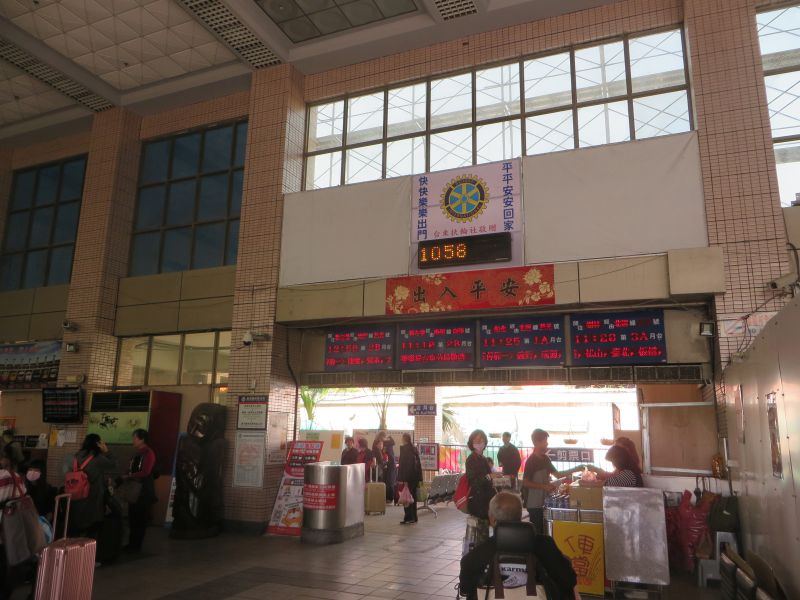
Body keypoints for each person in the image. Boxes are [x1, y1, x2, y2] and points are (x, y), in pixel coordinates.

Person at [458, 492, 580, 600]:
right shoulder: (545, 545)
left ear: (492, 519)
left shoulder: (481, 552)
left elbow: (465, 588)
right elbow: (569, 580)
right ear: (520, 515)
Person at [521, 429, 584, 534]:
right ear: (537, 442)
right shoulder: (531, 461)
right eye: (545, 441)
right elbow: (525, 483)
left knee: (546, 529)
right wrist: (544, 487)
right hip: (533, 503)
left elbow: (557, 474)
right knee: (538, 531)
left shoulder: (545, 459)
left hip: (544, 501)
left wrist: (576, 469)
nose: (547, 444)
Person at [69, 433, 116, 539]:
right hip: (93, 496)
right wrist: (107, 451)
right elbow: (113, 464)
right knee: (92, 525)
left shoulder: (76, 456)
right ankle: (90, 545)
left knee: (79, 522)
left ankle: (76, 544)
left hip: (76, 495)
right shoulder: (97, 457)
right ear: (97, 444)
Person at [123, 429, 157, 553]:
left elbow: (146, 472)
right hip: (135, 490)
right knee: (133, 518)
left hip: (143, 490)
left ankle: (136, 545)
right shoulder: (137, 453)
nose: (133, 440)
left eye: (135, 438)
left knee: (140, 519)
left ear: (142, 439)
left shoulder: (149, 453)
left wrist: (129, 476)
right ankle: (132, 543)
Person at [397, 433, 422, 524]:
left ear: (404, 439)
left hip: (409, 477)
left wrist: (405, 479)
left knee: (407, 497)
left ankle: (409, 517)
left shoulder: (406, 450)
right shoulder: (414, 449)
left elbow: (406, 465)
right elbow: (418, 465)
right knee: (412, 497)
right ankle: (414, 517)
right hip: (414, 477)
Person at [382, 432, 397, 503]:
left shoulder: (388, 444)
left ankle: (390, 498)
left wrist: (389, 437)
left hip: (391, 466)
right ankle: (387, 497)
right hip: (387, 465)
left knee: (390, 482)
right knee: (386, 482)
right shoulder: (385, 444)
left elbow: (393, 442)